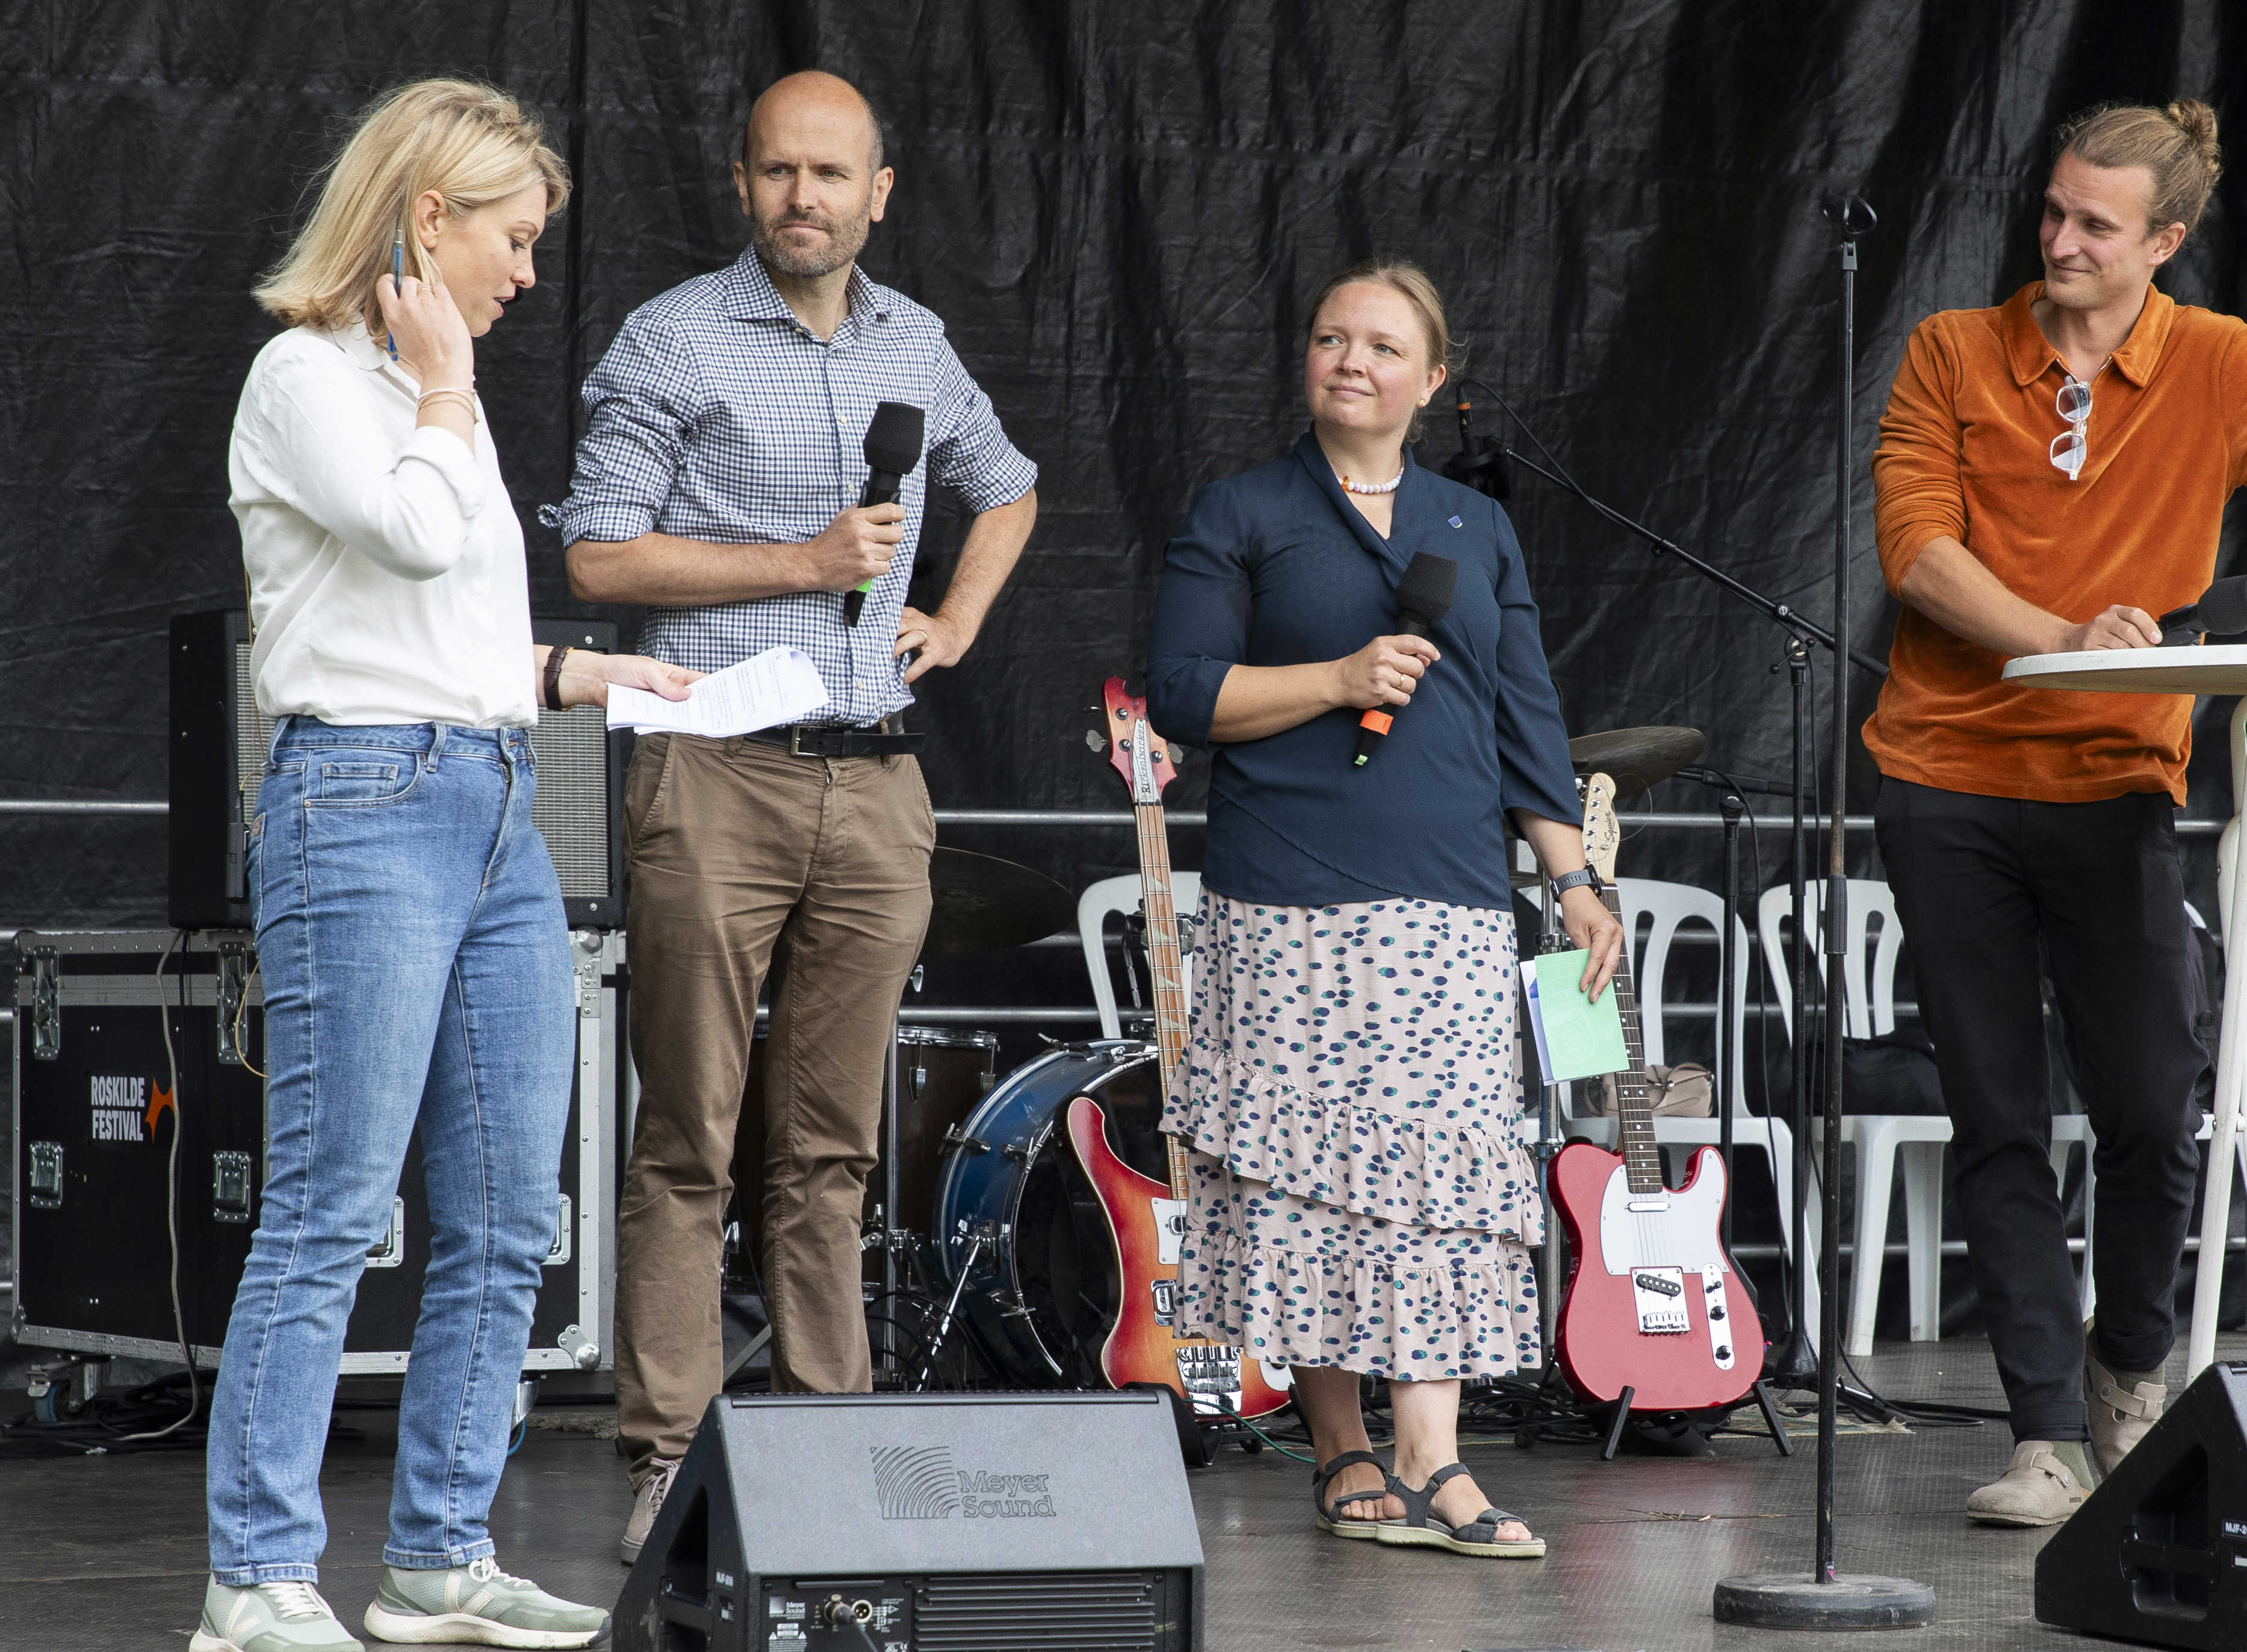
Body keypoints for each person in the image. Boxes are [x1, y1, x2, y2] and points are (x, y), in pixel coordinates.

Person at [1867, 99, 2247, 1527]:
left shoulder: (2214, 358)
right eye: (2053, 210)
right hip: (1945, 779)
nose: (2059, 239)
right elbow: (1915, 548)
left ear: (2166, 242)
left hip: (2114, 786)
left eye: (2095, 223)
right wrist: (2063, 636)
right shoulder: (1951, 347)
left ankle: (2125, 1361)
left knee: (2152, 1108)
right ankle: (2038, 1435)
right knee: (1998, 1117)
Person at [203, 80, 696, 1652]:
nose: (528, 272)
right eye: (514, 238)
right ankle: (255, 1577)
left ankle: (437, 1557)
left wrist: (579, 674)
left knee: (505, 1212)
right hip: (360, 797)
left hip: (491, 797)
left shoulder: (440, 396)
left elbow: (455, 622)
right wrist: (440, 388)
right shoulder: (306, 377)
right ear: (429, 218)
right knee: (332, 1202)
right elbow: (408, 540)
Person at [548, 69, 1038, 1562]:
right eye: (778, 171)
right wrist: (804, 560)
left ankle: (833, 1457)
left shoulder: (916, 341)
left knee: (830, 1150)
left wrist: (955, 616)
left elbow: (1008, 487)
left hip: (877, 777)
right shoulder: (674, 336)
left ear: (878, 192)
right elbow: (597, 558)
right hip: (714, 772)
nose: (803, 196)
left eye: (831, 173)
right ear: (742, 183)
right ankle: (673, 1460)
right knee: (688, 1137)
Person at [1147, 261, 1620, 1560]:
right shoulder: (1245, 509)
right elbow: (1181, 692)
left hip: (1453, 899)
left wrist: (1572, 881)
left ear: (1433, 379)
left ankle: (1434, 1451)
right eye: (1329, 338)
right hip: (1290, 893)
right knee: (1314, 1179)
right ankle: (1343, 1444)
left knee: (1440, 1179)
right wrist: (1336, 676)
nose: (1350, 361)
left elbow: (1526, 718)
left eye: (1381, 345)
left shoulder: (1475, 524)